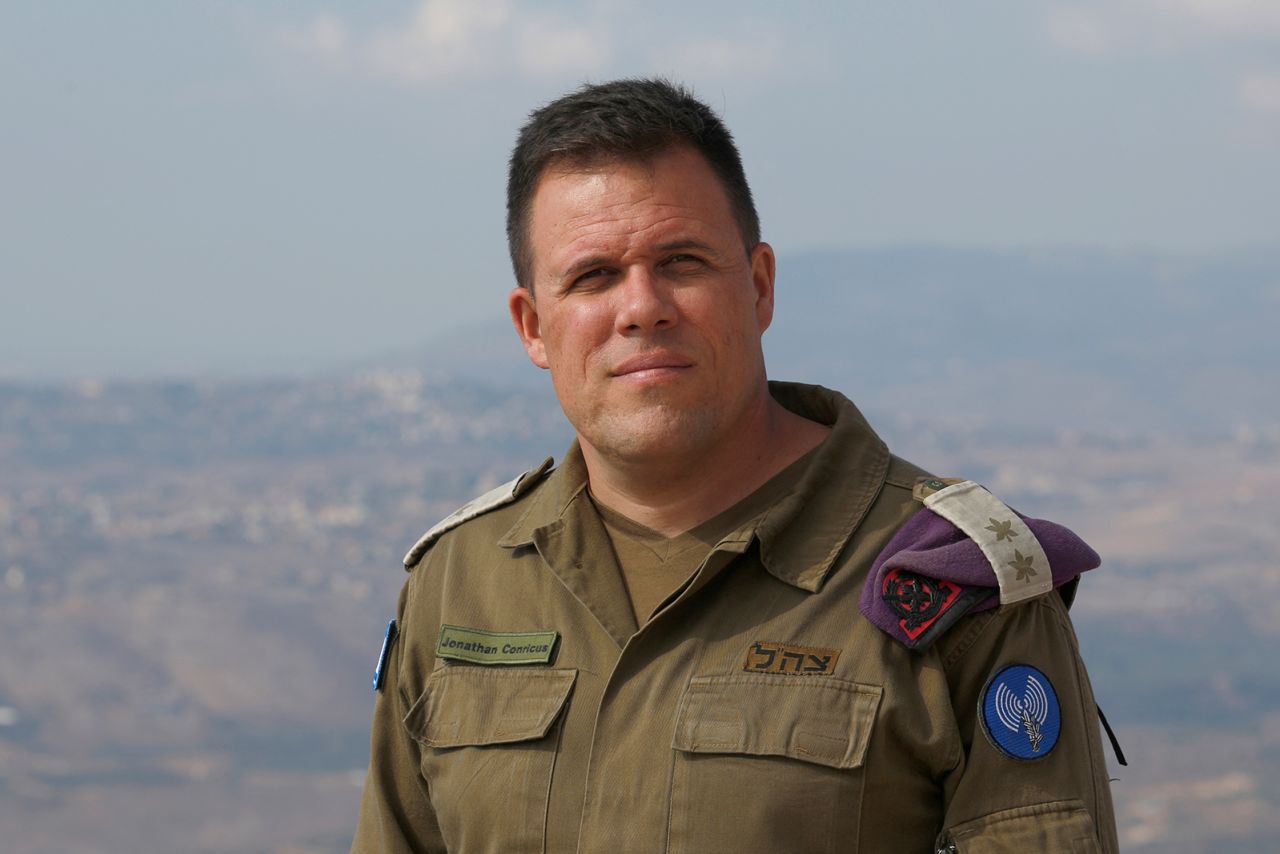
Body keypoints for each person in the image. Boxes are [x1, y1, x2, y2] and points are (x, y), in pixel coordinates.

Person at [352, 78, 1120, 853]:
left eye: (681, 262)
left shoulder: (957, 585)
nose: (642, 307)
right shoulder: (460, 582)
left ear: (757, 287)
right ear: (533, 327)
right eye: (593, 277)